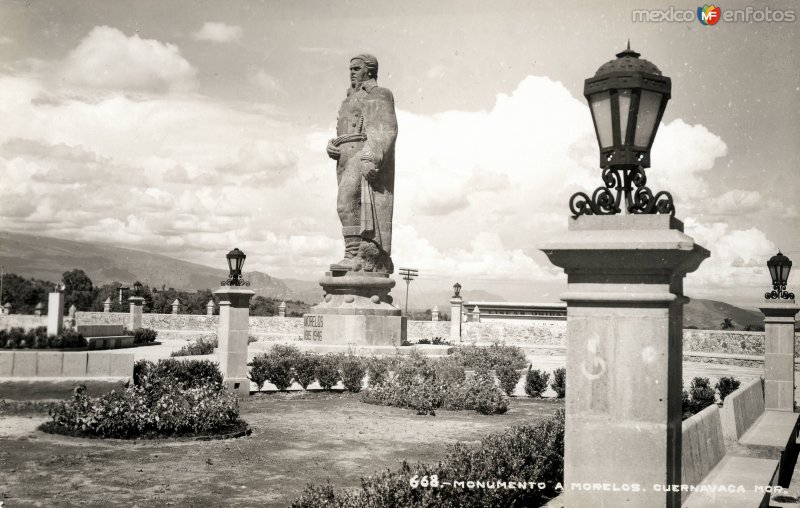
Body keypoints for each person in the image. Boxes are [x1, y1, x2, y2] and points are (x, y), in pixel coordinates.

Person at [326, 54, 397, 273]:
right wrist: (332, 145)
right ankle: (352, 255)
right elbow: (344, 131)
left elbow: (386, 128)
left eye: (357, 68)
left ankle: (355, 255)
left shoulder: (380, 94)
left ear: (370, 70)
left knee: (345, 201)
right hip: (343, 158)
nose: (352, 73)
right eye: (350, 69)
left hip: (362, 152)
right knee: (347, 206)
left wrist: (371, 156)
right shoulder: (348, 99)